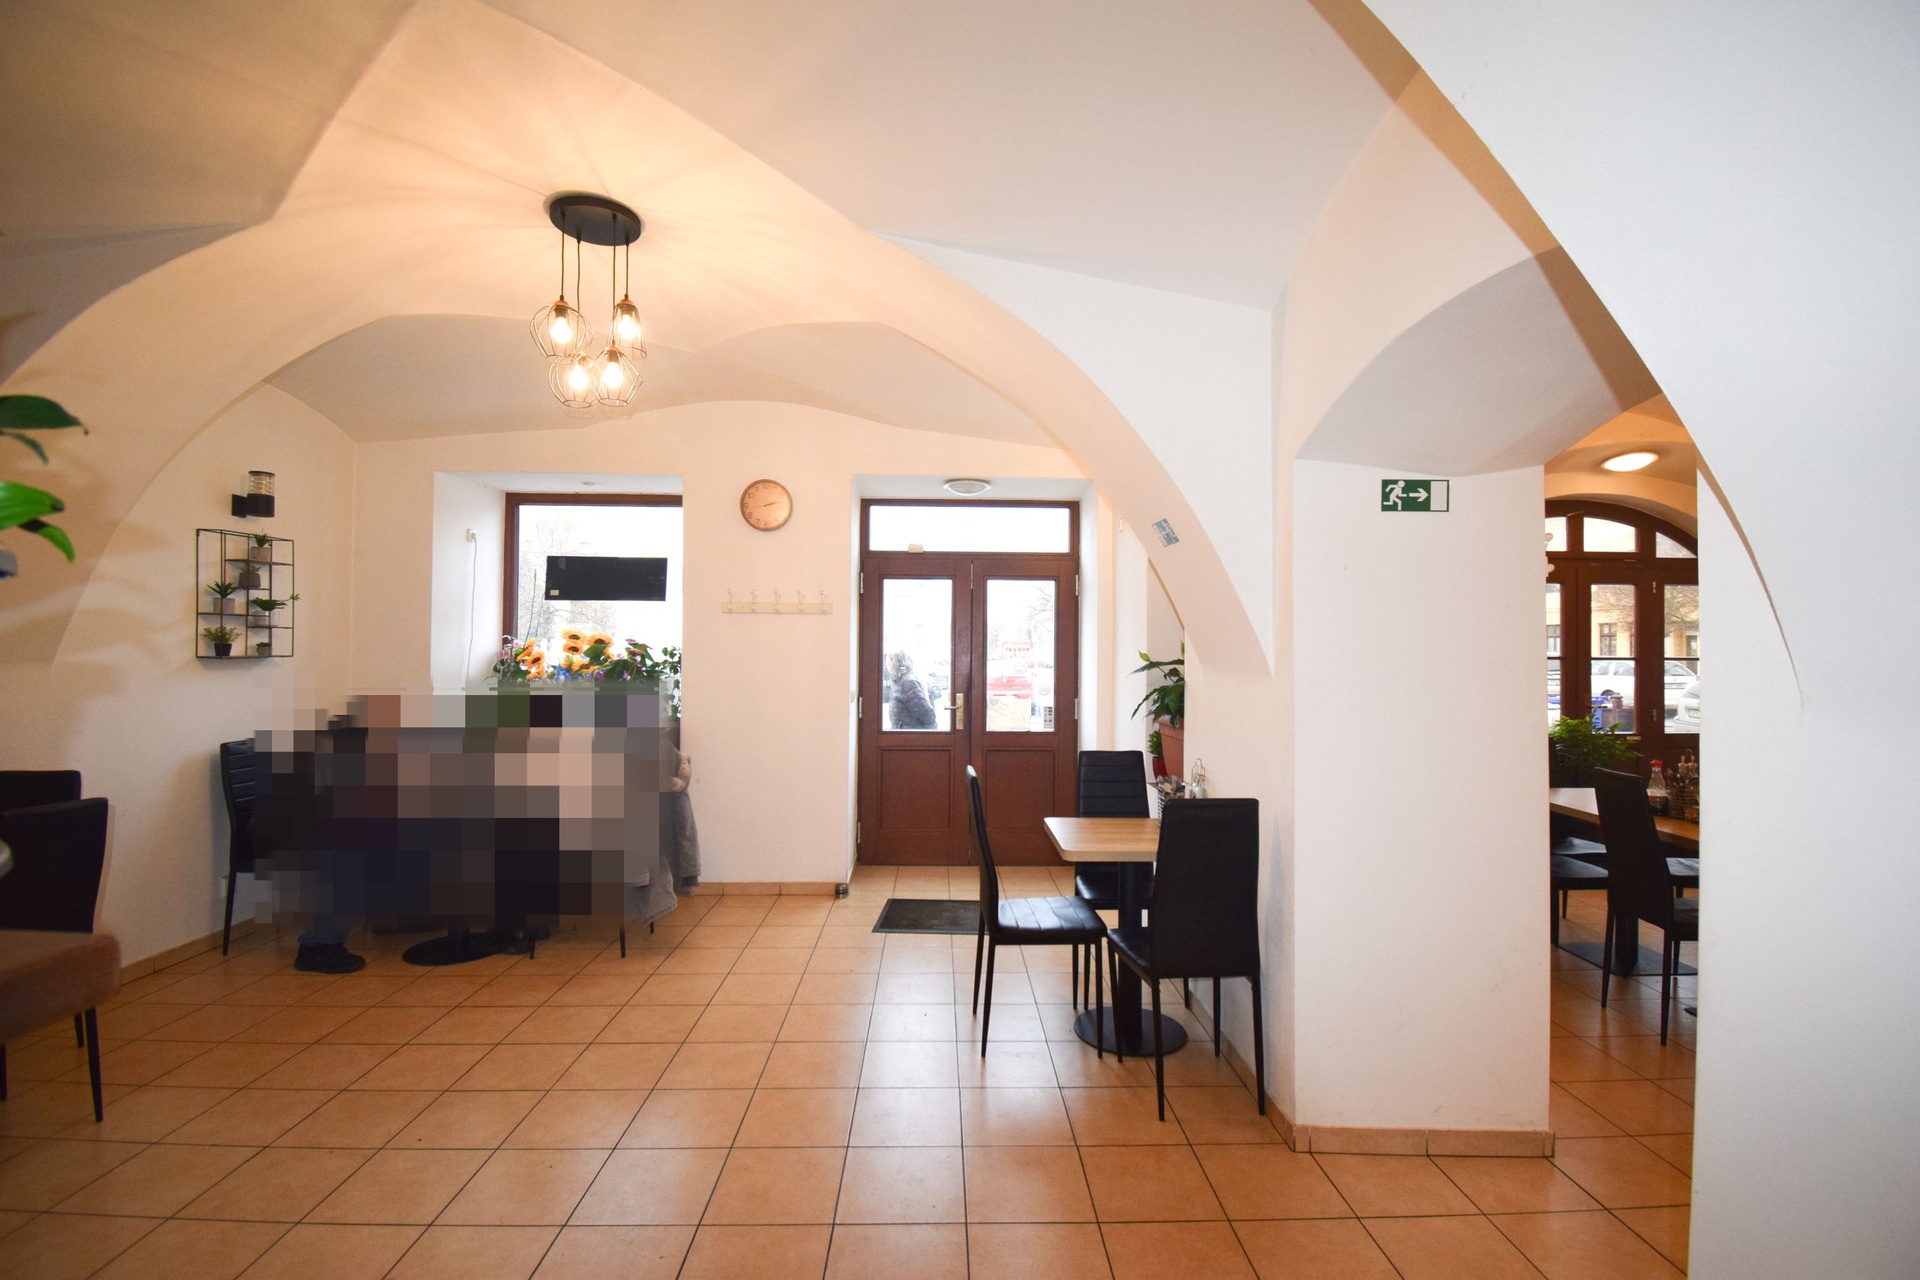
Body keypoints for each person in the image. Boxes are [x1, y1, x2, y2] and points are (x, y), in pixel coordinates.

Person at [886, 650, 938, 729]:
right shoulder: (901, 680)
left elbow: (925, 712)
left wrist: (932, 733)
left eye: (888, 660)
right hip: (904, 732)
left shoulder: (907, 683)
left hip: (909, 733)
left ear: (895, 662)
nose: (887, 664)